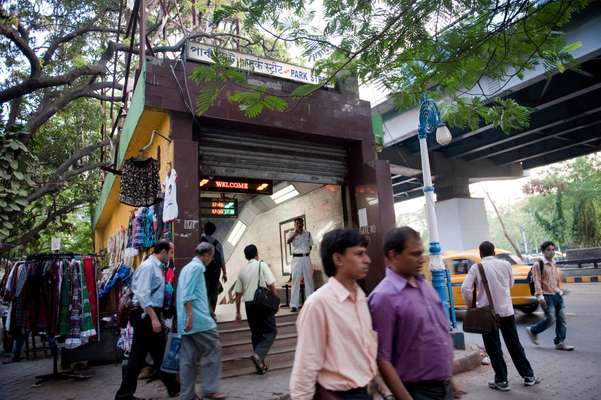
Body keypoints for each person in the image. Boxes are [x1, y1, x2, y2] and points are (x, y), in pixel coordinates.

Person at [290, 229, 386, 400]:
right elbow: (305, 367)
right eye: (359, 254)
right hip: (338, 395)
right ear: (338, 259)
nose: (367, 260)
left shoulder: (361, 298)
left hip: (365, 392)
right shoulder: (318, 304)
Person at [369, 227, 455, 400]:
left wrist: (450, 380)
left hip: (444, 386)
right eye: (414, 254)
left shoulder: (425, 285)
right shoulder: (383, 297)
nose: (421, 259)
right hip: (417, 391)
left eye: (421, 253)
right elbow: (382, 358)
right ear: (393, 255)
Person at [462, 241, 540, 392]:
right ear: (494, 252)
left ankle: (502, 381)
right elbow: (510, 284)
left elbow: (466, 288)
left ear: (480, 253)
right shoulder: (506, 265)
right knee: (514, 343)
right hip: (506, 311)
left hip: (486, 313)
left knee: (493, 347)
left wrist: (471, 304)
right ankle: (528, 376)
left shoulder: (476, 267)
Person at [115, 240, 179, 400]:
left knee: (158, 353)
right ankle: (124, 394)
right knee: (140, 356)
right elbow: (143, 294)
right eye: (171, 252)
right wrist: (154, 318)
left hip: (150, 315)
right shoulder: (148, 267)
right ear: (163, 252)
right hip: (145, 316)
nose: (172, 256)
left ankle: (173, 387)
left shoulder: (157, 267)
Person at [176, 242, 226, 400]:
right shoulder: (197, 268)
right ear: (206, 255)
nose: (211, 260)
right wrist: (190, 316)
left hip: (186, 322)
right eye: (211, 256)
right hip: (198, 321)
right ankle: (210, 389)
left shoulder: (186, 268)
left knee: (187, 359)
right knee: (213, 349)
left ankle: (187, 395)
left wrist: (186, 318)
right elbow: (187, 294)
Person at [234, 244, 278, 374]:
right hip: (261, 302)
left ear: (246, 256)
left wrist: (237, 312)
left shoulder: (242, 270)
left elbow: (237, 294)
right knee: (271, 331)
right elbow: (271, 283)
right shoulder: (261, 264)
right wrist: (275, 300)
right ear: (256, 254)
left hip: (248, 305)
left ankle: (260, 365)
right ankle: (258, 355)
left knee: (256, 334)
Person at [526, 241, 575, 351]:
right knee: (551, 319)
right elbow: (537, 281)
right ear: (543, 252)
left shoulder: (554, 262)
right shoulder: (538, 264)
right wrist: (540, 297)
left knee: (561, 319)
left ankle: (560, 342)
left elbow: (555, 280)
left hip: (557, 295)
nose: (552, 252)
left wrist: (560, 290)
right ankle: (533, 330)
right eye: (549, 250)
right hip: (546, 297)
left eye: (553, 249)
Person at [286, 218, 313, 312]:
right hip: (296, 259)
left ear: (303, 224)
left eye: (300, 223)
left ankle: (310, 303)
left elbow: (310, 245)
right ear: (295, 224)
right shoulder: (291, 233)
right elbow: (288, 241)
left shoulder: (308, 233)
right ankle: (294, 305)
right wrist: (296, 233)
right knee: (295, 280)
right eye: (297, 223)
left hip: (306, 258)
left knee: (309, 280)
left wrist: (306, 252)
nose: (299, 225)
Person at [201, 221, 227, 317]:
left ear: (204, 229)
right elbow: (222, 260)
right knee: (214, 292)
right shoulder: (217, 244)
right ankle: (212, 312)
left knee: (205, 292)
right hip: (216, 272)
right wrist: (225, 273)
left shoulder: (200, 241)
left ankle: (205, 312)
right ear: (214, 231)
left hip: (204, 272)